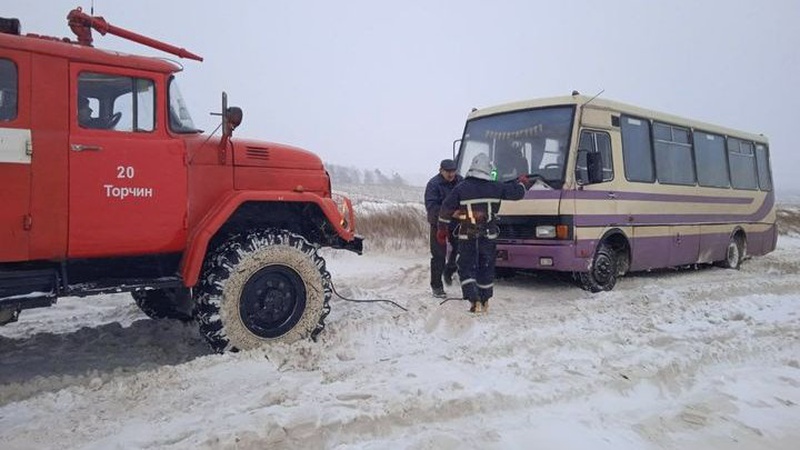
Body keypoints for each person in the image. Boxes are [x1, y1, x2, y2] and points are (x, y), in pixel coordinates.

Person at [437, 152, 533, 312]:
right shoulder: (497, 187)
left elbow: (445, 210)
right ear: (489, 170)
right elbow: (518, 193)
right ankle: (485, 300)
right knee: (486, 265)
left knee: (466, 266)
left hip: (467, 233)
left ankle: (474, 302)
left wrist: (442, 230)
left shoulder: (461, 188)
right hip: (488, 234)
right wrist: (522, 183)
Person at [424, 158, 462, 298]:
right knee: (438, 255)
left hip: (457, 224)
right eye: (448, 172)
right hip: (438, 224)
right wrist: (452, 213)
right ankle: (437, 287)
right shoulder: (433, 185)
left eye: (453, 171)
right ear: (441, 170)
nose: (451, 175)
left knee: (460, 250)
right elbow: (432, 208)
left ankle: (450, 269)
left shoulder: (461, 181)